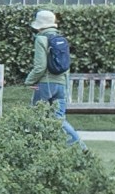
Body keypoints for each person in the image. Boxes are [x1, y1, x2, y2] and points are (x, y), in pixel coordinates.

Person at [28, 9, 87, 147]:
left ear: (39, 26)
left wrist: (29, 81)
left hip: (45, 84)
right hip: (61, 85)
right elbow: (66, 67)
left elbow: (40, 67)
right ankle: (81, 147)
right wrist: (65, 87)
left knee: (36, 117)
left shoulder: (41, 39)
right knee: (59, 119)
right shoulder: (61, 40)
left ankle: (35, 149)